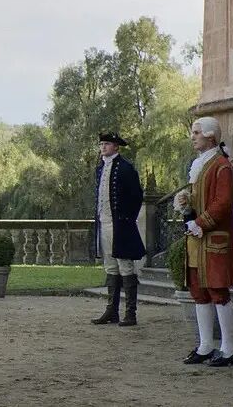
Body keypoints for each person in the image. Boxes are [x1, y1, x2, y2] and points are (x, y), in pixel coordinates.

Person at [176, 117, 233, 367]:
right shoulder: (200, 164)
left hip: (213, 238)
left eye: (196, 133)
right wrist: (187, 204)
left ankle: (228, 349)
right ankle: (205, 345)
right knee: (199, 291)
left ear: (211, 136)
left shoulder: (222, 166)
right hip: (197, 239)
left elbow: (223, 203)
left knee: (218, 291)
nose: (192, 137)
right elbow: (202, 200)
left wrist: (200, 223)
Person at [90, 132, 146, 327]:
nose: (103, 147)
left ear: (116, 147)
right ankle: (111, 311)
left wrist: (127, 219)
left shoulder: (125, 167)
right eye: (101, 144)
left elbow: (137, 195)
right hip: (103, 223)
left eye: (107, 144)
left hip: (120, 225)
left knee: (125, 266)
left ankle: (130, 313)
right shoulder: (100, 168)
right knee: (111, 266)